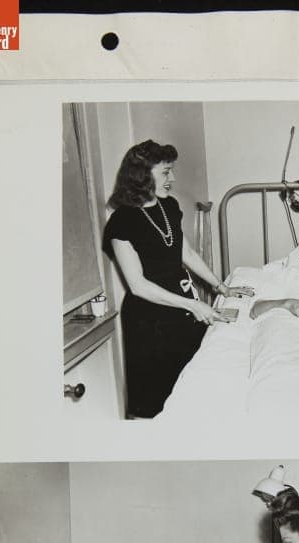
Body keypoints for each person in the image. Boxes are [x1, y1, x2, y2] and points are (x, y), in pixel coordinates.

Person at [103, 140, 254, 418]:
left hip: (182, 307)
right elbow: (138, 285)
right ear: (141, 175)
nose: (172, 178)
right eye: (165, 172)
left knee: (191, 388)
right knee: (155, 403)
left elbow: (186, 252)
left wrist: (222, 286)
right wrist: (194, 306)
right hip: (149, 319)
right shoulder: (121, 222)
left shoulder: (168, 206)